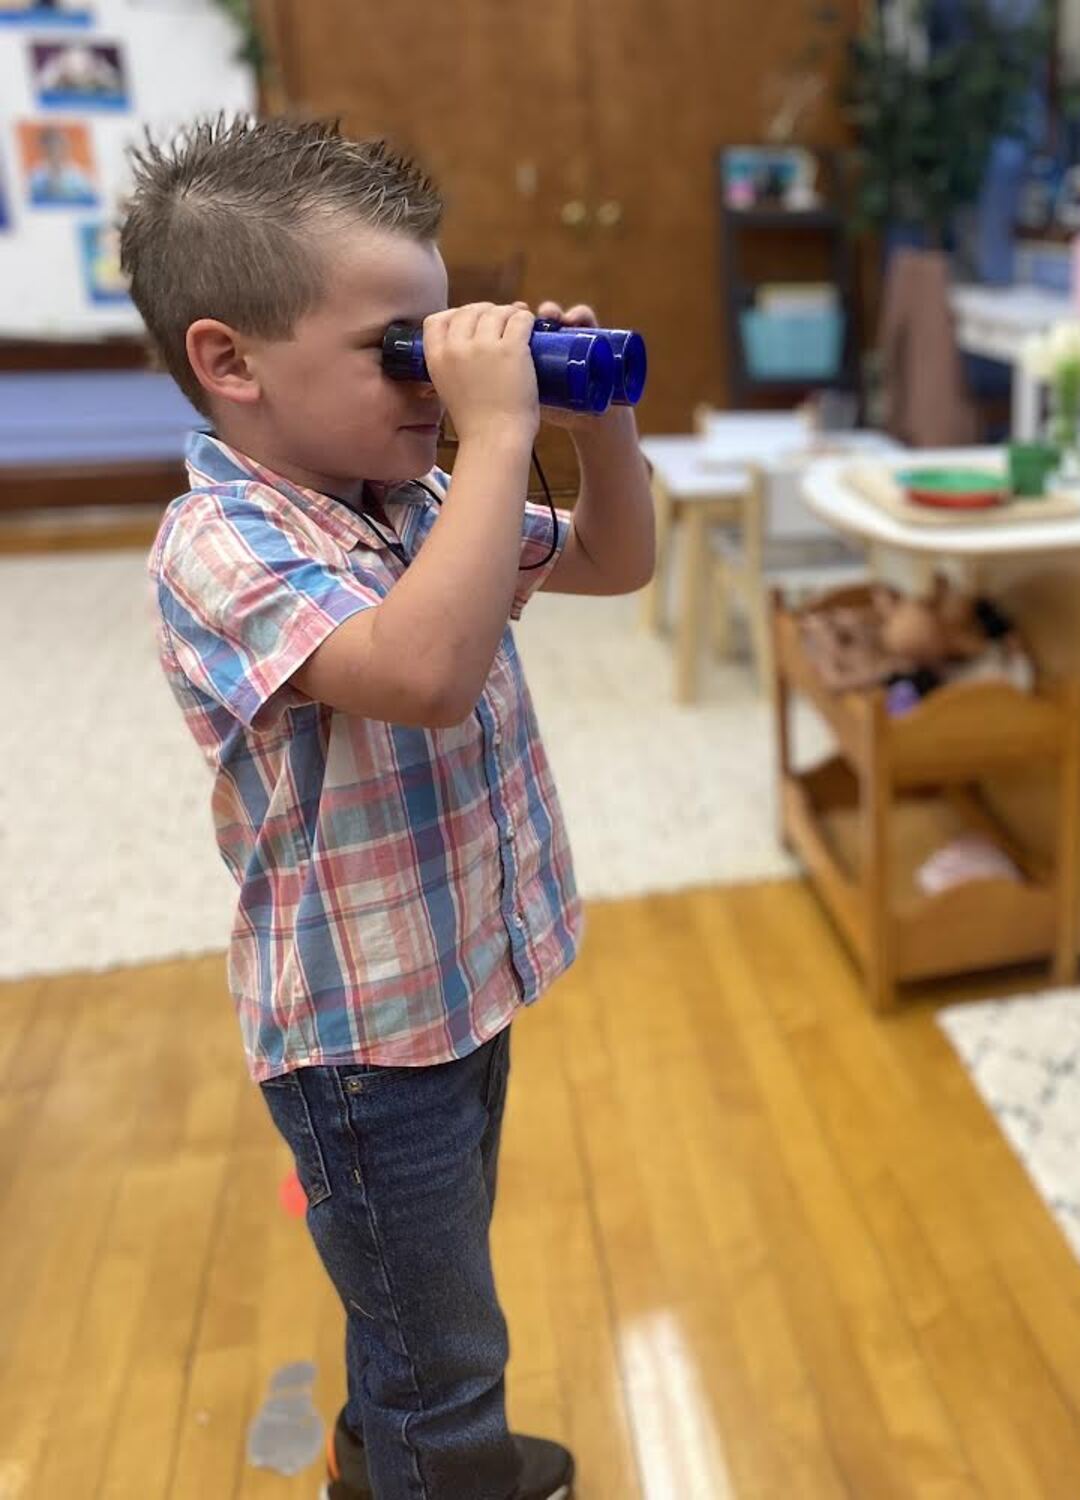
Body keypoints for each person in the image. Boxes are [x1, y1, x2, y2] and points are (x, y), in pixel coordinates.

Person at [124, 115, 655, 1500]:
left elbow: (613, 558)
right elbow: (421, 672)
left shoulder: (416, 492)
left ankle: (392, 1450)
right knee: (447, 1348)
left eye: (443, 334)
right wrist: (493, 443)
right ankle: (433, 1457)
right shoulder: (223, 545)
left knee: (417, 1298)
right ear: (231, 363)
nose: (435, 377)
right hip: (360, 1041)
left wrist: (599, 428)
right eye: (396, 350)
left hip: (457, 981)